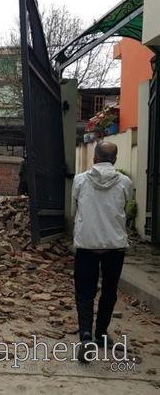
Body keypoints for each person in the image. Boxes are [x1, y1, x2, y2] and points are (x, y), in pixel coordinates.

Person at [71, 141, 132, 363]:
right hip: (115, 246)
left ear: (94, 159)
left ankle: (85, 334)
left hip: (87, 244)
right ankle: (102, 334)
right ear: (114, 160)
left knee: (85, 292)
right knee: (109, 290)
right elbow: (125, 208)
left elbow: (74, 209)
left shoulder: (80, 180)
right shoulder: (125, 182)